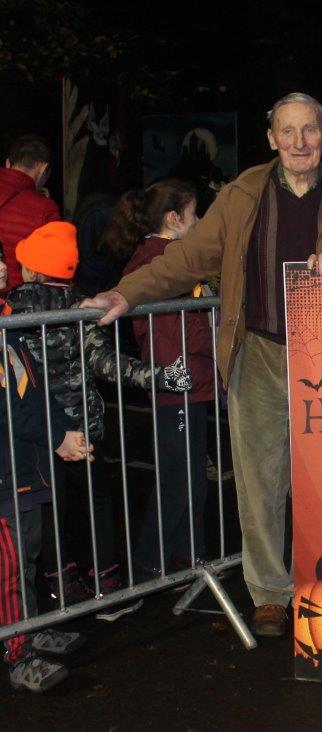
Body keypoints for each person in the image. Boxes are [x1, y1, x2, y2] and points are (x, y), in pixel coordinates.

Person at [82, 92, 322, 637]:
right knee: (260, 482)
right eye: (288, 132)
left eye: (310, 131)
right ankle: (269, 593)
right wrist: (125, 294)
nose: (299, 142)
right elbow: (186, 258)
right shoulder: (242, 195)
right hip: (258, 351)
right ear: (271, 139)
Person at [4, 222, 192, 608]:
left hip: (39, 433)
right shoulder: (81, 308)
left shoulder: (11, 309)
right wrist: (160, 376)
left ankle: (60, 584)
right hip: (84, 428)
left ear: (34, 269)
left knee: (51, 507)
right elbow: (107, 364)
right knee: (97, 502)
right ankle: (106, 580)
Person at [103, 180, 216, 573]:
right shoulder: (161, 260)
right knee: (177, 477)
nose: (199, 221)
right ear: (174, 218)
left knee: (190, 474)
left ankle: (190, 553)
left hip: (190, 377)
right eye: (194, 213)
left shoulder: (169, 256)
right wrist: (175, 375)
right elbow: (170, 331)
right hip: (178, 380)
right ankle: (154, 560)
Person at [2, 257, 93, 693]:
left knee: (28, 557)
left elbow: (36, 392)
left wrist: (63, 430)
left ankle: (30, 629)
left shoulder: (9, 327)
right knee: (8, 570)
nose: (1, 269)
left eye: (0, 259)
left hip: (24, 470)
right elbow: (9, 410)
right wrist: (55, 436)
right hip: (6, 474)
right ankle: (16, 654)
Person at [0, 135, 60, 295]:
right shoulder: (45, 208)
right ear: (43, 169)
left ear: (7, 163)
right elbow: (53, 269)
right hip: (19, 308)